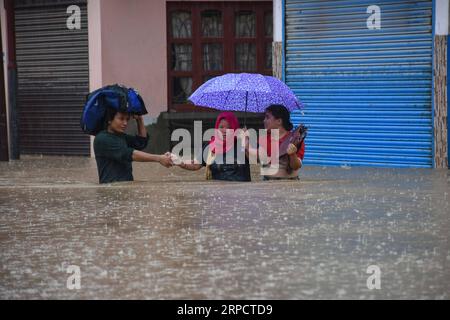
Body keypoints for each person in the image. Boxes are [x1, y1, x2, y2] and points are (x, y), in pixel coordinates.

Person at [94, 107, 173, 184]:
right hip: (111, 190)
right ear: (109, 120)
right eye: (121, 119)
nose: (125, 123)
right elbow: (129, 154)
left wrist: (139, 119)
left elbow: (141, 142)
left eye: (127, 119)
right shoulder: (102, 139)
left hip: (125, 187)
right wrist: (159, 158)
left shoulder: (121, 137)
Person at [174, 112, 251, 182]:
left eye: (229, 127)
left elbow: (256, 159)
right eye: (221, 127)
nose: (224, 130)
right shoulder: (210, 147)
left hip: (240, 194)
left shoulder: (242, 144)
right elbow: (195, 164)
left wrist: (246, 142)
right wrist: (178, 161)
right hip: (217, 192)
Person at [246, 104, 305, 180]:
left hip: (290, 184)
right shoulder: (264, 138)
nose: (264, 120)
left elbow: (296, 166)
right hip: (267, 183)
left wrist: (292, 154)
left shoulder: (295, 139)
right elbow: (255, 160)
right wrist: (246, 146)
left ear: (279, 121)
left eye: (267, 117)